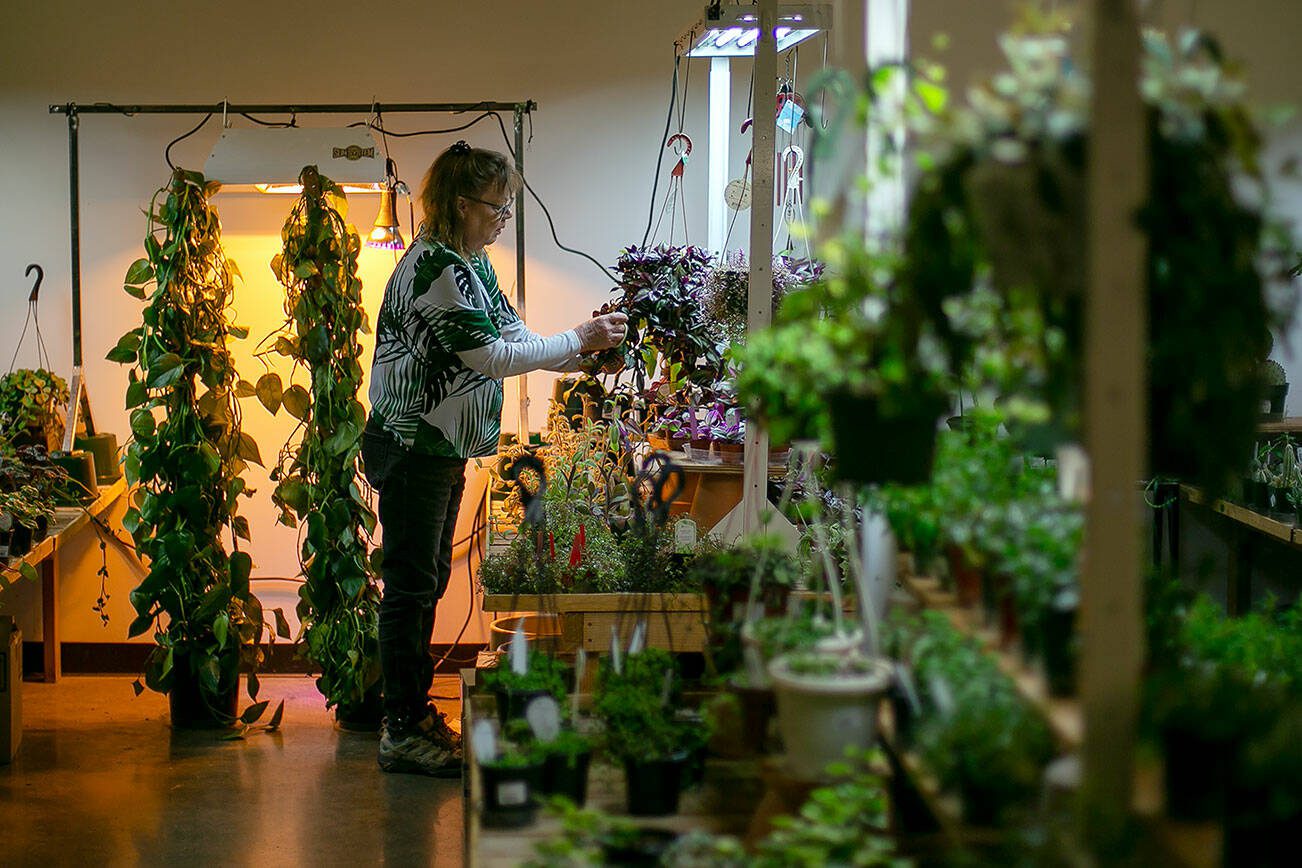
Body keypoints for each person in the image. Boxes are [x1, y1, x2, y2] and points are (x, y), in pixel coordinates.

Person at [362, 141, 628, 776]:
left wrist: (585, 353)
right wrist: (579, 341)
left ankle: (413, 714)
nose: (503, 217)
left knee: (427, 579)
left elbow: (517, 339)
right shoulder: (435, 271)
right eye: (496, 206)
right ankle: (400, 727)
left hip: (441, 449)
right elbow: (491, 358)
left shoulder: (472, 264)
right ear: (461, 204)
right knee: (410, 586)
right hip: (412, 447)